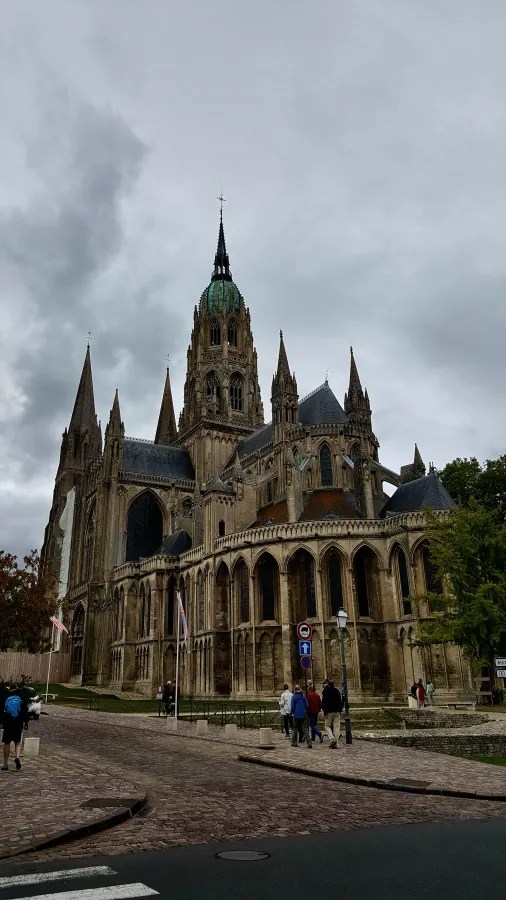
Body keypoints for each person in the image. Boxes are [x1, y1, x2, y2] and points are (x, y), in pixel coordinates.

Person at [1, 681, 29, 771]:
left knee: (6, 743)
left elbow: (2, 709)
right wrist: (26, 722)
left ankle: (5, 763)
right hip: (18, 722)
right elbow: (25, 710)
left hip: (8, 722)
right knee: (17, 741)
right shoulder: (21, 697)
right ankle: (17, 757)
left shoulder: (6, 697)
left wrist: (1, 722)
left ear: (10, 688)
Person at [322, 679, 342, 749]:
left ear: (328, 685)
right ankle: (336, 743)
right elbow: (340, 701)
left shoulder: (325, 691)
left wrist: (324, 712)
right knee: (337, 727)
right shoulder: (337, 691)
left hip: (329, 711)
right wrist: (340, 710)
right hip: (336, 711)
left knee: (327, 726)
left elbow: (324, 702)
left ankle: (332, 738)